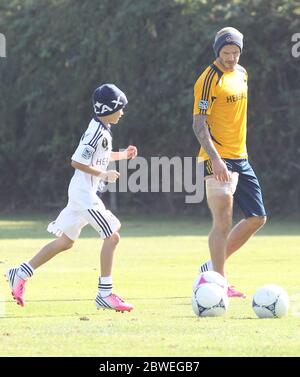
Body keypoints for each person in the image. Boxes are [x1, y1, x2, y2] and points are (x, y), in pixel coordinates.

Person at [6, 83, 138, 312]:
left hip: (82, 192)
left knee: (65, 242)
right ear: (109, 108)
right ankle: (104, 294)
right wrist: (104, 174)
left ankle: (21, 273)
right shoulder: (96, 131)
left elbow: (99, 157)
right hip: (84, 194)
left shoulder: (103, 129)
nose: (123, 112)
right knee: (113, 236)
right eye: (121, 108)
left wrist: (123, 155)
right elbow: (77, 161)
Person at [192, 27, 267, 297]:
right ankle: (219, 282)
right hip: (216, 158)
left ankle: (211, 267)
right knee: (223, 219)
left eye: (235, 52)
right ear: (217, 51)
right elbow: (198, 124)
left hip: (241, 157)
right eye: (226, 53)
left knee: (257, 217)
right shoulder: (208, 78)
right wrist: (216, 159)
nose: (231, 58)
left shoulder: (243, 73)